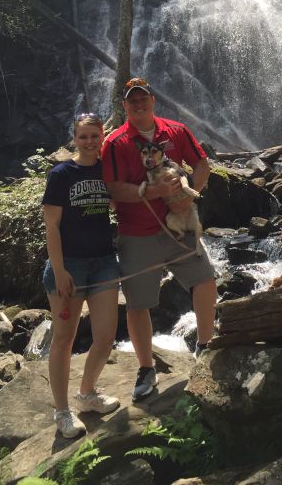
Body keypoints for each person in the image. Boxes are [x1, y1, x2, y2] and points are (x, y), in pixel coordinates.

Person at [101, 77, 217, 401]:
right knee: (138, 304)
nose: (139, 105)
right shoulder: (115, 143)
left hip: (179, 227)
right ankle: (146, 369)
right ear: (124, 106)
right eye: (132, 100)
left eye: (143, 99)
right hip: (137, 234)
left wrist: (189, 195)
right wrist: (154, 192)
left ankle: (205, 346)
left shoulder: (176, 130)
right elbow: (113, 188)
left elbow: (202, 164)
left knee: (206, 280)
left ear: (153, 101)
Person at [42, 113, 121, 438]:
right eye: (83, 136)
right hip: (70, 266)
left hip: (103, 262)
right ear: (74, 139)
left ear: (103, 136)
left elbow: (121, 202)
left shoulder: (108, 171)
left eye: (94, 135)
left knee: (106, 336)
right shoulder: (61, 174)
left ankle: (87, 394)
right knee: (64, 338)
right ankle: (62, 412)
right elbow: (52, 226)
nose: (89, 141)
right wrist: (60, 270)